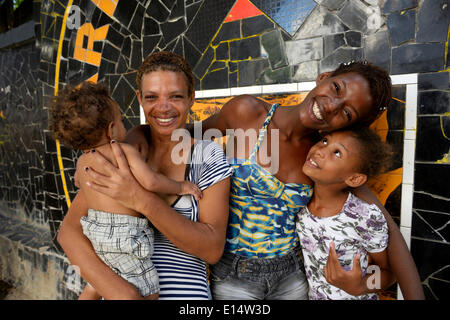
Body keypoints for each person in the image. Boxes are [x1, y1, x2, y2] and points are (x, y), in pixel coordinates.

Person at [75, 59, 425, 299]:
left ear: (348, 126)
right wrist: (126, 143)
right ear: (324, 77)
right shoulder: (247, 114)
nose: (331, 106)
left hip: (292, 279)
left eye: (346, 112)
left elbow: (394, 260)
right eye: (336, 88)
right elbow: (176, 135)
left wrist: (364, 285)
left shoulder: (323, 160)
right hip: (233, 277)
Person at [57, 52, 233, 300]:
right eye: (152, 97)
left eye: (176, 96)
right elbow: (68, 232)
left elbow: (212, 249)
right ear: (140, 98)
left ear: (191, 97)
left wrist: (141, 201)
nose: (163, 107)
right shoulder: (119, 152)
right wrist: (120, 292)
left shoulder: (207, 155)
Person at [296, 127, 396, 300]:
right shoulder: (298, 203)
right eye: (325, 140)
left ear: (354, 179)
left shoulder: (364, 216)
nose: (320, 151)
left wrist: (360, 286)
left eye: (337, 152)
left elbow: (389, 273)